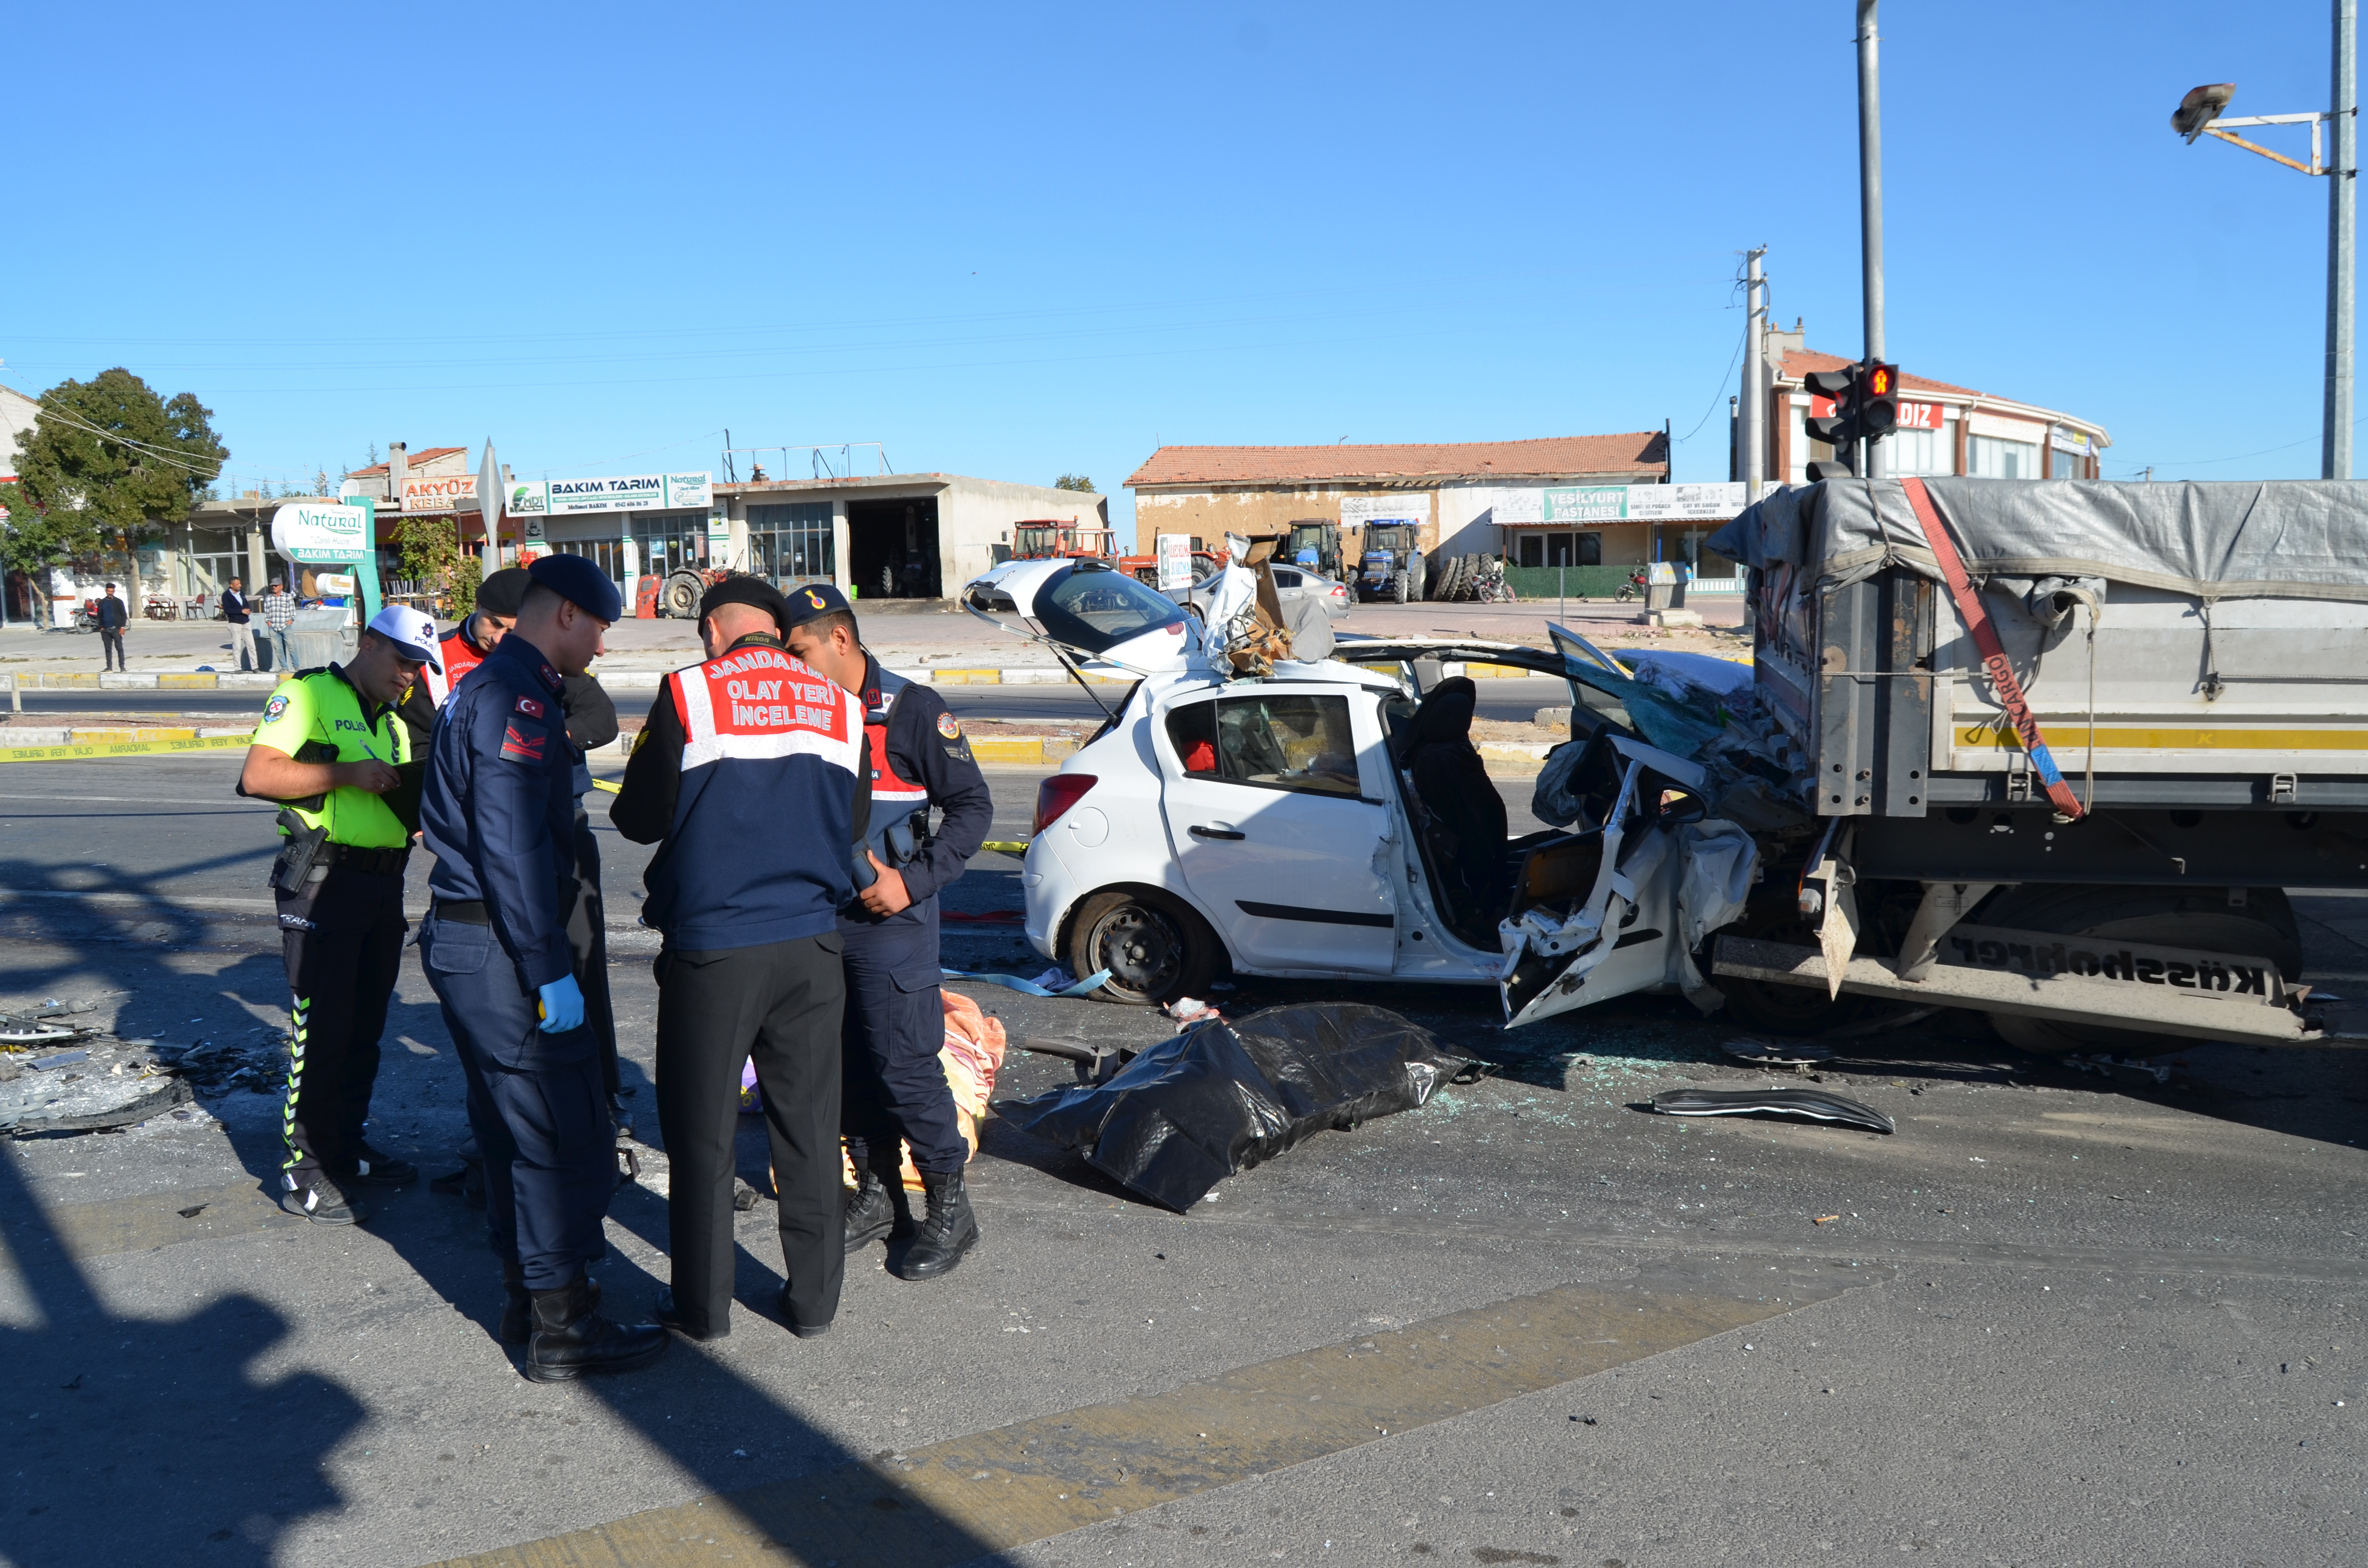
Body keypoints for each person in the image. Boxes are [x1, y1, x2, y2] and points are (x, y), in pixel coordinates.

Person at [418, 555, 665, 1382]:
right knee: (558, 1137)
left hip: (476, 940)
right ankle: (565, 1325)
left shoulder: (489, 685)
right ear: (564, 613)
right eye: (599, 626)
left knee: (508, 1130)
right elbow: (514, 845)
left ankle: (528, 1303)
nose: (602, 644)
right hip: (503, 946)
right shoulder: (515, 698)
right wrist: (547, 965)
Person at [610, 576, 868, 1341]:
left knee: (703, 1134)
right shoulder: (839, 703)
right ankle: (815, 1305)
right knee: (811, 1131)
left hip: (717, 949)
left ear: (713, 631)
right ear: (778, 630)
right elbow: (852, 819)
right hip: (813, 945)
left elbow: (638, 817)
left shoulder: (690, 691)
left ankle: (704, 1310)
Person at [775, 584, 993, 1279]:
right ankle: (878, 1194)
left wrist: (912, 882)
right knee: (846, 1066)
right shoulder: (798, 709)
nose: (791, 665)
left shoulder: (910, 710)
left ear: (839, 639)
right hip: (820, 918)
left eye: (799, 651)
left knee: (904, 1065)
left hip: (891, 920)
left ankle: (951, 1209)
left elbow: (972, 807)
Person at [239, 606, 440, 1224]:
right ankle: (304, 1171)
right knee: (322, 1032)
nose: (409, 675)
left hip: (382, 885)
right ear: (370, 643)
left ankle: (346, 1148)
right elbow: (258, 775)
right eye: (403, 661)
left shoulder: (395, 724)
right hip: (323, 884)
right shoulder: (309, 693)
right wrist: (346, 774)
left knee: (363, 1030)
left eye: (419, 667)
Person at [259, 579, 297, 673]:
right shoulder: (268, 598)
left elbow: (292, 612)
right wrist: (269, 624)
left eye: (276, 586)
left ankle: (297, 667)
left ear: (281, 586)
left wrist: (289, 623)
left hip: (286, 626)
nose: (274, 587)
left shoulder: (288, 597)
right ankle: (284, 667)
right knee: (278, 649)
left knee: (292, 647)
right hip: (273, 628)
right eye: (273, 586)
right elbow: (267, 613)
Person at [222, 578, 255, 672]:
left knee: (252, 646)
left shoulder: (241, 593)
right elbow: (227, 610)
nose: (240, 585)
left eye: (240, 583)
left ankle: (255, 667)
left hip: (246, 622)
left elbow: (246, 604)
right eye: (237, 584)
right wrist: (241, 611)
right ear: (232, 585)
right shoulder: (226, 595)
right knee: (237, 647)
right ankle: (238, 668)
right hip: (235, 623)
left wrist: (247, 610)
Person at [96, 583, 128, 672]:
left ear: (114, 591)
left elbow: (124, 615)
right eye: (109, 591)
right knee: (108, 649)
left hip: (116, 629)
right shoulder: (102, 602)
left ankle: (122, 668)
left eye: (112, 591)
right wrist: (101, 627)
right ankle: (109, 668)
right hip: (105, 630)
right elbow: (99, 615)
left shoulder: (118, 602)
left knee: (120, 649)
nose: (110, 593)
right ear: (106, 591)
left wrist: (122, 627)